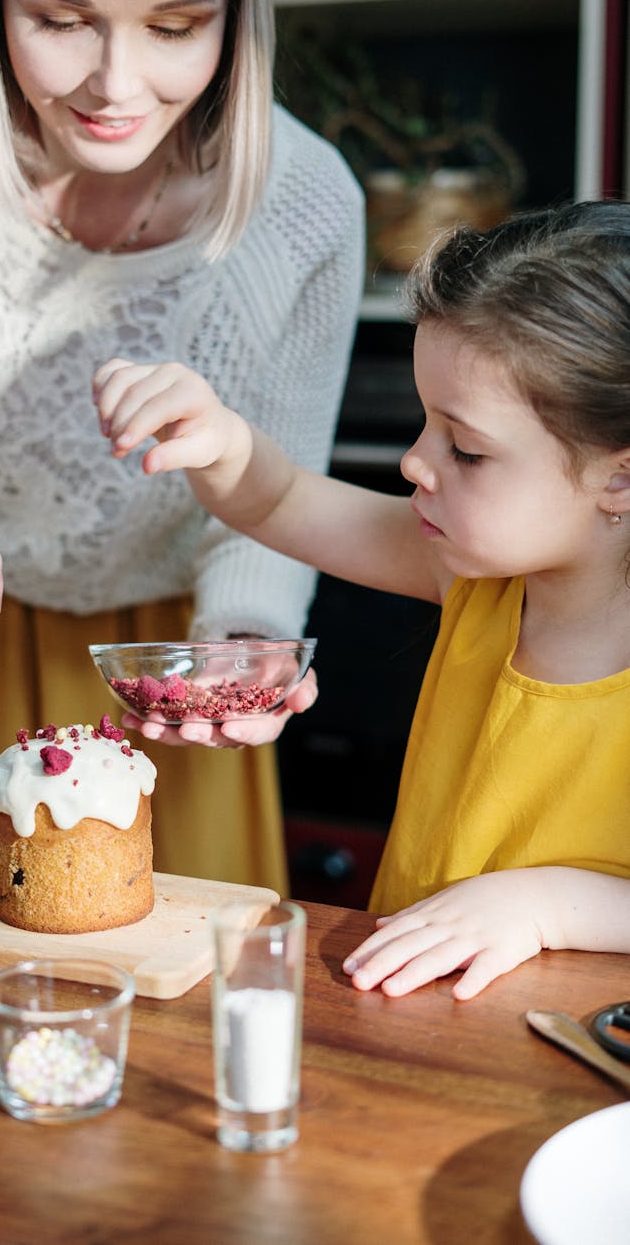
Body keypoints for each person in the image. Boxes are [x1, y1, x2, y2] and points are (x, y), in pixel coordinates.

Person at [0, 0, 365, 893]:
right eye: (59, 22)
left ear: (236, 16)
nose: (115, 84)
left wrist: (244, 645)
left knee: (169, 1019)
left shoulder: (307, 203)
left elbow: (277, 501)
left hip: (172, 667)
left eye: (175, 28)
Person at [95, 199, 630, 997]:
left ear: (618, 475)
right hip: (416, 1022)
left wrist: (545, 905)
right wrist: (217, 440)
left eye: (468, 449)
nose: (415, 461)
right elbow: (278, 504)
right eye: (425, 424)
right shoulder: (476, 580)